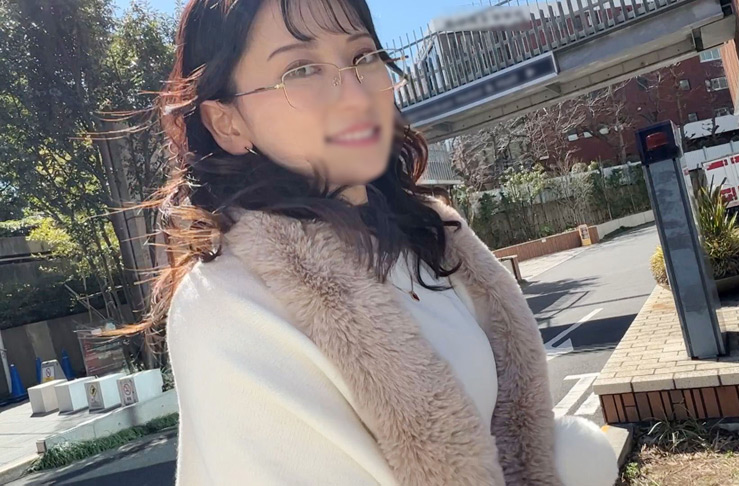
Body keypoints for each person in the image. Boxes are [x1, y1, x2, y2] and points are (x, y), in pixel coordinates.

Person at [135, 0, 618, 484]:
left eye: (363, 57)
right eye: (301, 70)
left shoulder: (428, 240)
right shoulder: (228, 304)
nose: (355, 93)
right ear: (227, 123)